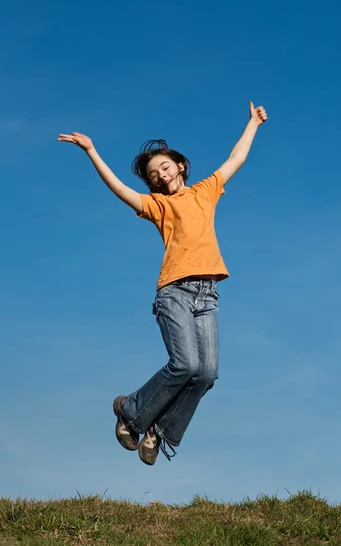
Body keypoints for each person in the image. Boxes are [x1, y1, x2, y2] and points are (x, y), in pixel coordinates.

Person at [58, 101, 267, 465]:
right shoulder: (159, 206)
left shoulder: (205, 191)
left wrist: (253, 124)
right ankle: (129, 411)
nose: (161, 175)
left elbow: (236, 159)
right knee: (185, 365)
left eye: (165, 167)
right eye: (154, 174)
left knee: (207, 374)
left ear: (180, 166)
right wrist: (92, 151)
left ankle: (158, 431)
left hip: (208, 294)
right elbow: (121, 190)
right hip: (174, 291)